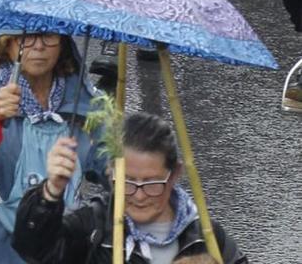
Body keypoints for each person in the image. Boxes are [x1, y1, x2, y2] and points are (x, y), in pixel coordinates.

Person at [0, 32, 104, 264]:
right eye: (26, 38)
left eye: (48, 36)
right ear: (7, 43)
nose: (38, 47)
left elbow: (110, 169)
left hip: (58, 247)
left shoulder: (83, 97)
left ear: (63, 43)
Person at [13, 110, 244, 264]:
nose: (140, 196)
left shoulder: (205, 236)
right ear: (111, 173)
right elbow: (34, 249)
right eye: (128, 182)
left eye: (153, 184)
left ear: (174, 174)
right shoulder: (92, 228)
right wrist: (50, 192)